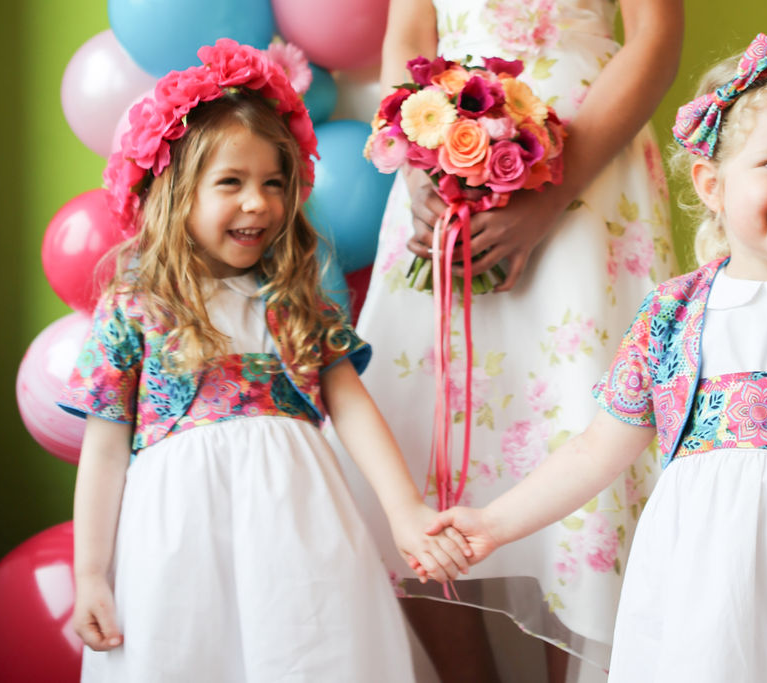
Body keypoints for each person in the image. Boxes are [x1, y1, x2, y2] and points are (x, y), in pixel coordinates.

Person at [429, 33, 767, 682]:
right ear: (711, 183)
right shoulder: (669, 315)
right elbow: (596, 450)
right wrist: (493, 520)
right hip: (700, 593)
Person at [59, 39, 470, 682]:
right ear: (176, 193)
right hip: (178, 539)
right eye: (232, 182)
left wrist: (404, 510)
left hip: (298, 524)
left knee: (310, 652)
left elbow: (352, 408)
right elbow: (106, 449)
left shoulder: (294, 302)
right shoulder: (136, 307)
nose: (259, 202)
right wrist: (91, 574)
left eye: (274, 183)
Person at [337, 0, 684, 680]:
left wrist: (550, 197)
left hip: (589, 166)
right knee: (423, 445)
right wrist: (418, 171)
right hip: (442, 167)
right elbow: (407, 37)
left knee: (580, 419)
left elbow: (658, 37)